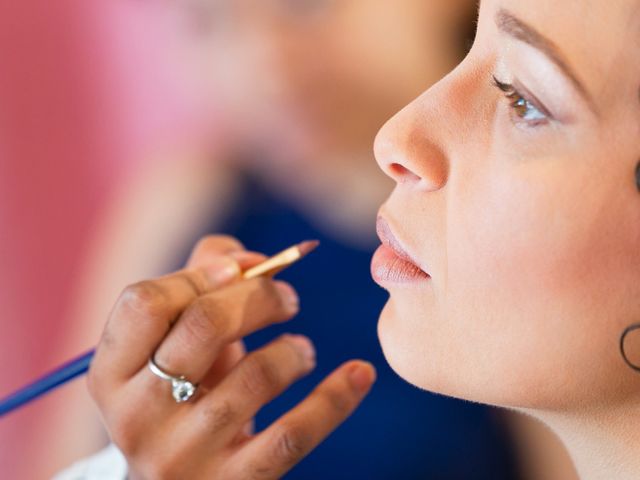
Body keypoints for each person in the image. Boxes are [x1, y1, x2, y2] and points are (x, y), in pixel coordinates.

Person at [58, 0, 640, 477]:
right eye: (208, 20)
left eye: (520, 98)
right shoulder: (192, 200)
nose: (263, 65)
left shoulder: (505, 307)